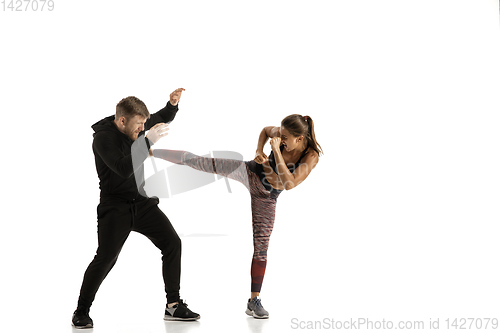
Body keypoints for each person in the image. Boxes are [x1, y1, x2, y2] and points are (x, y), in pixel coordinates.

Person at [150, 114, 322, 319]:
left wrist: (276, 150)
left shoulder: (310, 156)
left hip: (267, 197)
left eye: (285, 138)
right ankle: (151, 152)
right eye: (281, 136)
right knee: (200, 161)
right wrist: (259, 150)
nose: (281, 139)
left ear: (300, 138)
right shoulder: (281, 133)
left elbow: (290, 183)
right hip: (249, 171)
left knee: (261, 247)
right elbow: (266, 131)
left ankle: (253, 301)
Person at [72, 88, 200, 329]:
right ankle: (81, 311)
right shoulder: (103, 138)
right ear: (122, 121)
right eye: (139, 125)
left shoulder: (135, 123)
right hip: (115, 207)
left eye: (144, 124)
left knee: (172, 243)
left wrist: (172, 105)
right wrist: (148, 141)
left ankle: (173, 306)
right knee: (106, 259)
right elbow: (123, 167)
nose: (142, 128)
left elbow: (158, 117)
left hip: (141, 203)